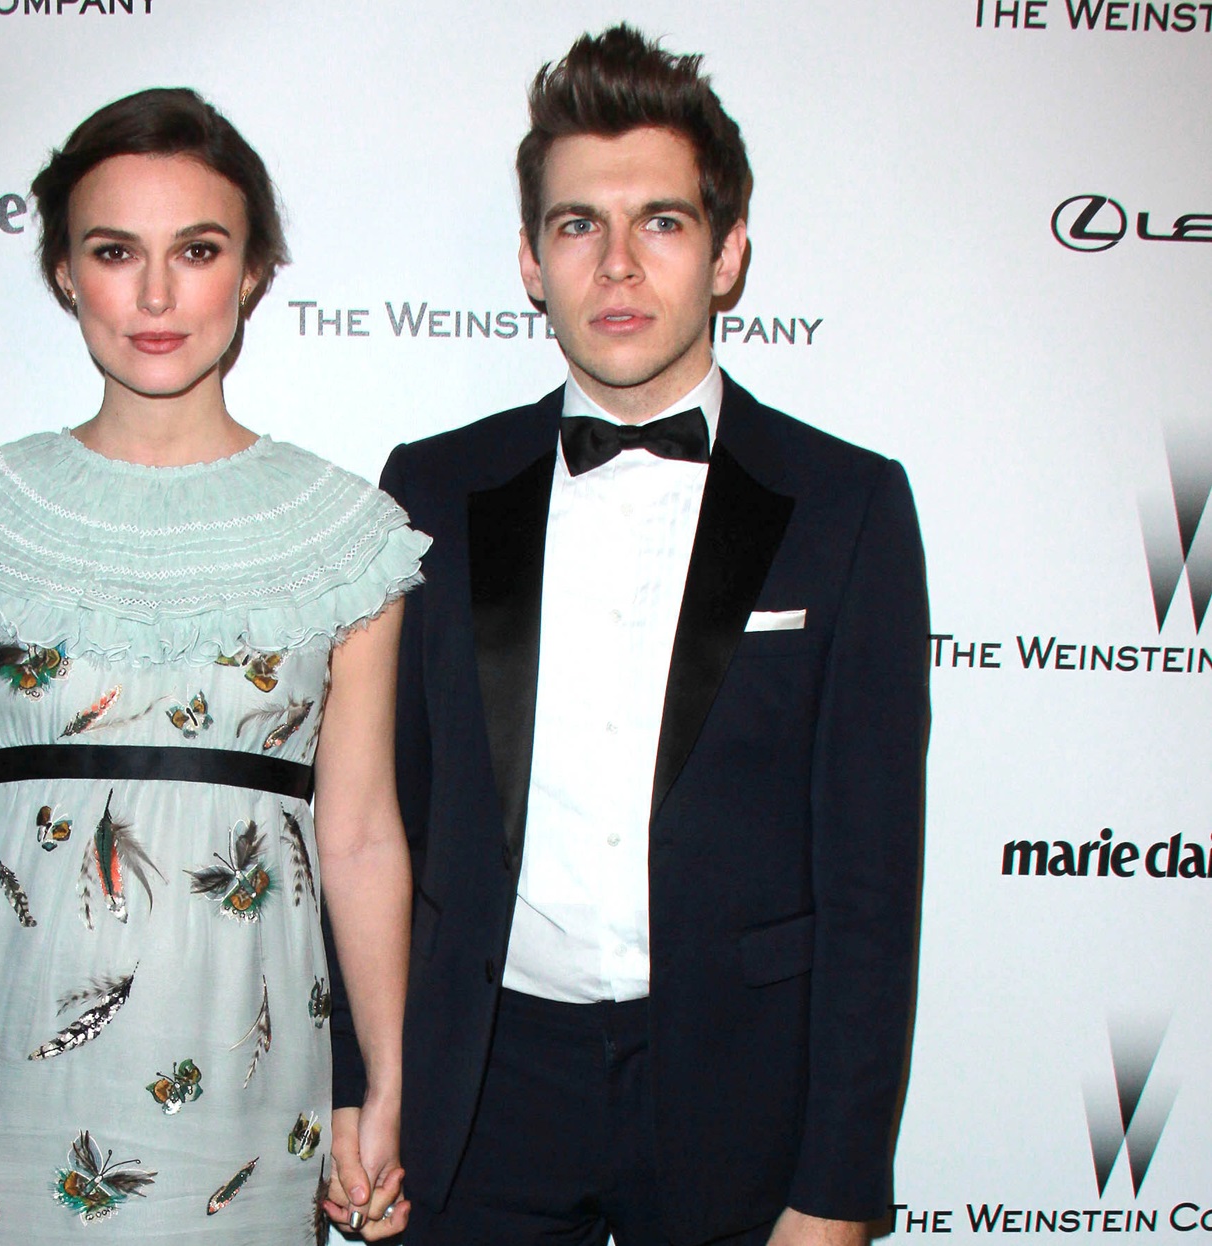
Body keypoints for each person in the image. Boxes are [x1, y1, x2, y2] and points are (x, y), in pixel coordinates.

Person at [326, 25, 928, 1246]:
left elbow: (873, 882)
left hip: (738, 1091)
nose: (616, 267)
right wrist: (360, 1077)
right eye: (575, 226)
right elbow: (381, 816)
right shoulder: (430, 490)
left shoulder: (850, 506)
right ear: (531, 263)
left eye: (659, 222)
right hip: (479, 1086)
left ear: (728, 254)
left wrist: (839, 1183)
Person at [0, 88, 421, 1244]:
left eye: (196, 251)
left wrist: (382, 1081)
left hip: (248, 1082)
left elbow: (360, 833)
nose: (154, 296)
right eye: (113, 252)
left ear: (250, 275)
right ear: (63, 275)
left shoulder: (346, 532)